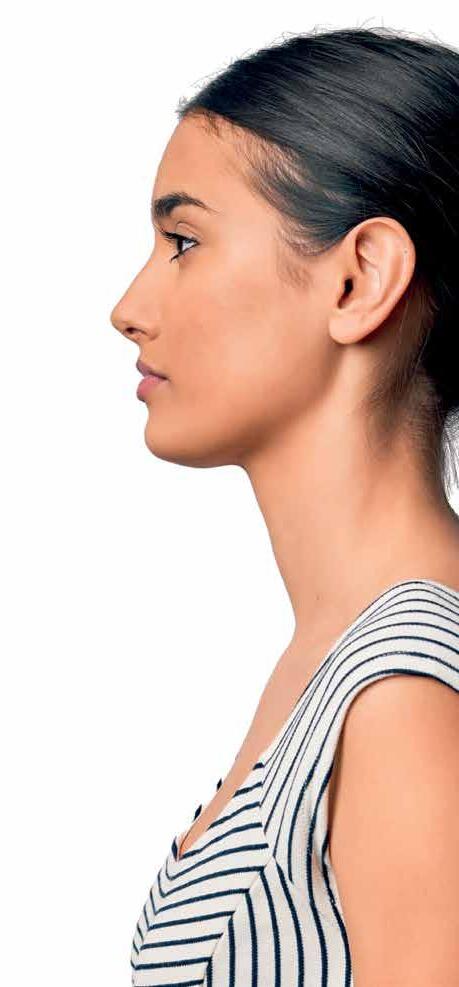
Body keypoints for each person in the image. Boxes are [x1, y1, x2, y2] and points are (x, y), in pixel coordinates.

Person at [110, 24, 459, 986]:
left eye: (183, 242)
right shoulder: (340, 658)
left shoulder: (403, 688)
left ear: (358, 279)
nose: (128, 307)